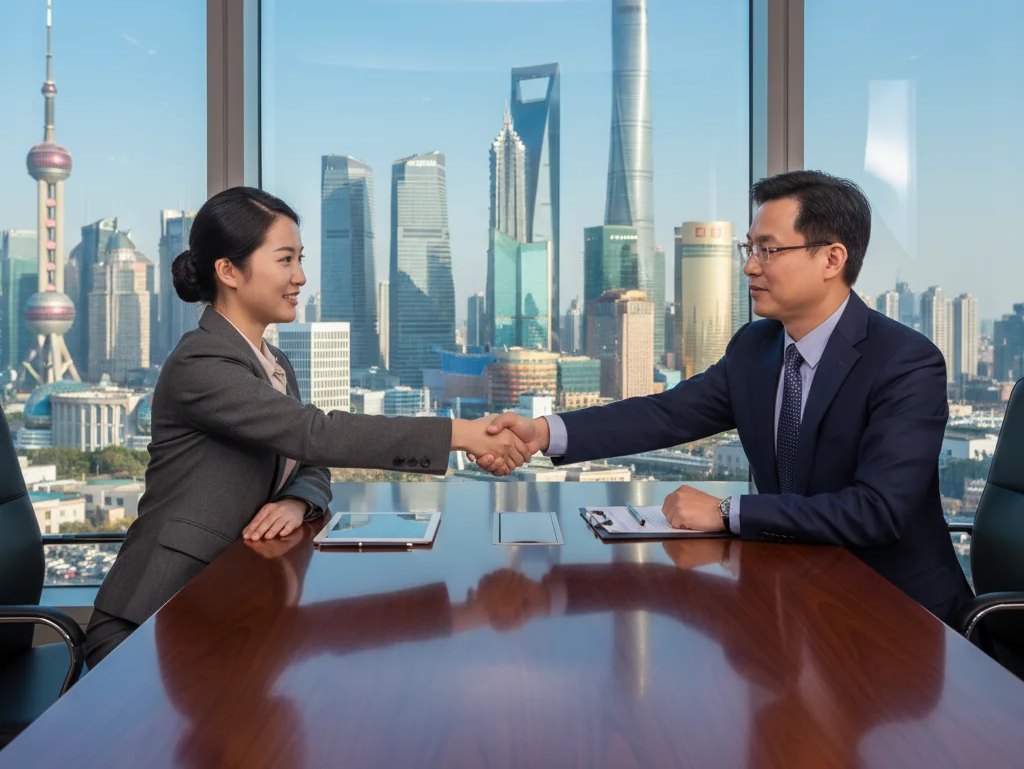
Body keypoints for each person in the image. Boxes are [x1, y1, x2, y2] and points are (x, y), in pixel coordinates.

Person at [485, 171, 973, 623]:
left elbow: (877, 512)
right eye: (749, 248)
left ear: (831, 258)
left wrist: (726, 512)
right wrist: (544, 432)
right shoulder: (755, 349)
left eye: (767, 250)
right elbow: (667, 414)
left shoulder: (904, 361)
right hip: (792, 598)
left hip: (895, 617)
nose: (748, 267)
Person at [84, 186, 530, 667]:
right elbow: (315, 433)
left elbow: (308, 460)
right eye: (285, 260)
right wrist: (463, 435)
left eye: (300, 259)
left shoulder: (272, 363)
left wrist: (297, 501)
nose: (300, 277)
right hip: (154, 618)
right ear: (229, 271)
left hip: (227, 601)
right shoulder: (202, 361)